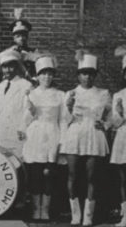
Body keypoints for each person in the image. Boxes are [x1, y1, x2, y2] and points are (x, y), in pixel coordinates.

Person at [61, 51, 112, 226]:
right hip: (75, 135)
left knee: (92, 176)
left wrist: (104, 125)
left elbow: (110, 118)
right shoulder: (70, 94)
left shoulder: (104, 93)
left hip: (94, 136)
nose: (87, 77)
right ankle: (76, 214)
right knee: (73, 175)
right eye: (84, 73)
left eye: (91, 73)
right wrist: (68, 108)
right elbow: (65, 120)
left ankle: (88, 216)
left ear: (95, 75)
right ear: (78, 75)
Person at [21, 55, 67, 221]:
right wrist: (31, 112)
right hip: (35, 135)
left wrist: (62, 140)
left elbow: (63, 119)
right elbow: (25, 120)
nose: (46, 77)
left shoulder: (61, 95)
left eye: (50, 74)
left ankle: (45, 210)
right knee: (35, 173)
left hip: (52, 133)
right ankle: (36, 209)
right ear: (38, 76)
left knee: (49, 172)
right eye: (43, 74)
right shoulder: (31, 94)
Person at [0, 49, 33, 158]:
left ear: (17, 67)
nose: (8, 70)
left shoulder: (26, 85)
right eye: (5, 67)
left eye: (11, 67)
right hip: (2, 134)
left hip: (18, 134)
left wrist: (23, 128)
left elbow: (29, 110)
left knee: (19, 164)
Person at [112, 46, 126, 227]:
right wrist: (120, 114)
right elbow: (116, 123)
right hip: (124, 136)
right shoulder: (119, 95)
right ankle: (125, 214)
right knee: (124, 177)